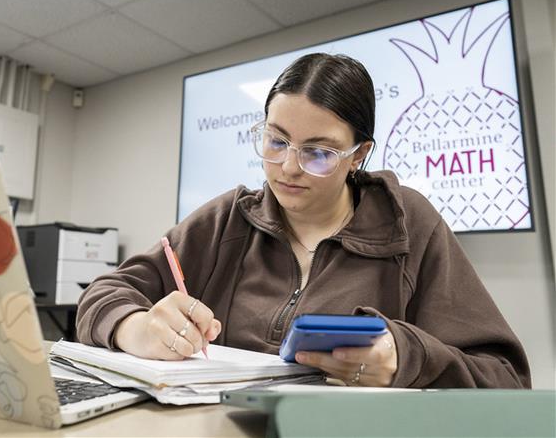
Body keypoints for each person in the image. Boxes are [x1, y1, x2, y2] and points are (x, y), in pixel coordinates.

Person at [76, 53, 531, 388]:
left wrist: (406, 358)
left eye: (318, 152)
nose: (289, 168)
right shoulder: (227, 220)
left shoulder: (410, 224)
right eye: (276, 142)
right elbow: (103, 294)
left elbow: (505, 379)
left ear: (359, 156)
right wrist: (133, 327)